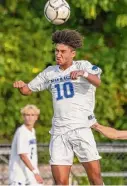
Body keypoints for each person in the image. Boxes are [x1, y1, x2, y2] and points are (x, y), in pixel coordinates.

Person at [13, 29, 104, 185]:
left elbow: (97, 81)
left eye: (63, 51)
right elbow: (27, 90)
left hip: (81, 129)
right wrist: (21, 86)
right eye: (56, 51)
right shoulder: (50, 73)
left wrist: (83, 73)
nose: (58, 54)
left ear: (73, 53)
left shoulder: (83, 65)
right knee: (61, 182)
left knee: (95, 178)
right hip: (59, 132)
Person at [9, 104, 43, 186]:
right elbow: (23, 155)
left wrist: (35, 171)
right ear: (23, 117)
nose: (30, 117)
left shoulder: (32, 131)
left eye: (32, 115)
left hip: (30, 174)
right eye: (27, 115)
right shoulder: (22, 132)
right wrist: (35, 172)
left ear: (36, 117)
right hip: (19, 176)